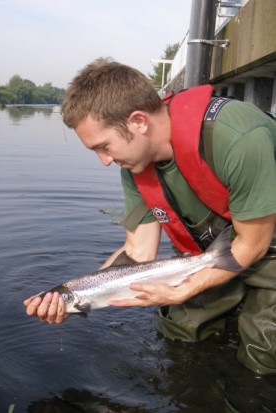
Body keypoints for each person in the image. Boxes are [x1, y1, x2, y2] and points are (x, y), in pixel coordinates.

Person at [24, 57, 276, 376]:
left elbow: (253, 244)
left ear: (139, 121)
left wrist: (186, 288)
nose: (104, 161)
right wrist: (72, 300)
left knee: (262, 353)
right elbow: (138, 252)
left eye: (104, 147)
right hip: (216, 248)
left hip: (266, 243)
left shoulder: (238, 138)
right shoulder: (135, 163)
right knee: (182, 334)